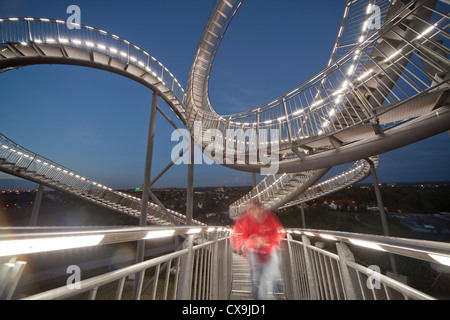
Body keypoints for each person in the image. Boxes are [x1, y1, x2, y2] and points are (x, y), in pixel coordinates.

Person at [230, 200, 285, 300]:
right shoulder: (243, 219)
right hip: (253, 253)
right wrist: (245, 245)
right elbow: (235, 236)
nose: (251, 211)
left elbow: (280, 231)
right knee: (256, 279)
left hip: (269, 251)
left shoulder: (269, 217)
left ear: (260, 208)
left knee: (271, 277)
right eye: (249, 209)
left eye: (254, 208)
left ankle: (273, 295)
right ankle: (257, 297)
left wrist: (269, 240)